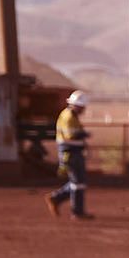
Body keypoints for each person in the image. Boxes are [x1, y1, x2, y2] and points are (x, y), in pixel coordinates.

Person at [47, 90, 91, 220]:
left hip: (74, 151)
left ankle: (56, 198)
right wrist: (83, 135)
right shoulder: (69, 117)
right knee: (77, 182)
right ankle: (77, 212)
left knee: (78, 182)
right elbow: (70, 135)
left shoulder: (72, 115)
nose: (83, 109)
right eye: (82, 107)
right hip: (70, 152)